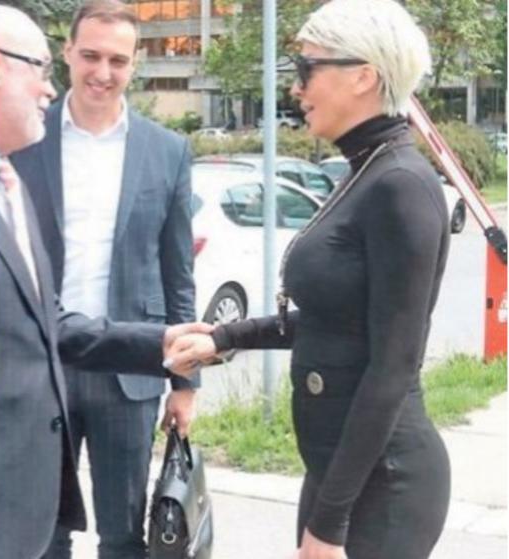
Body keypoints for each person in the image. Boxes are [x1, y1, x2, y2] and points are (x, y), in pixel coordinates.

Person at [165, 1, 450, 558]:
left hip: (384, 485)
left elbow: (393, 365)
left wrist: (331, 522)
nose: (296, 88)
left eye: (306, 69)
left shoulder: (400, 185)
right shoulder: (366, 171)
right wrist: (223, 337)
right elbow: (335, 323)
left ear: (363, 76)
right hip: (338, 471)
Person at [0, 5, 210, 558]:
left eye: (117, 60)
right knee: (42, 530)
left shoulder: (167, 151)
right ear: (67, 52)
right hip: (44, 368)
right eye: (90, 55)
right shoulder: (25, 137)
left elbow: (178, 274)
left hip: (129, 373)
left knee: (123, 535)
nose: (102, 73)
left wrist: (185, 383)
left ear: (135, 64)